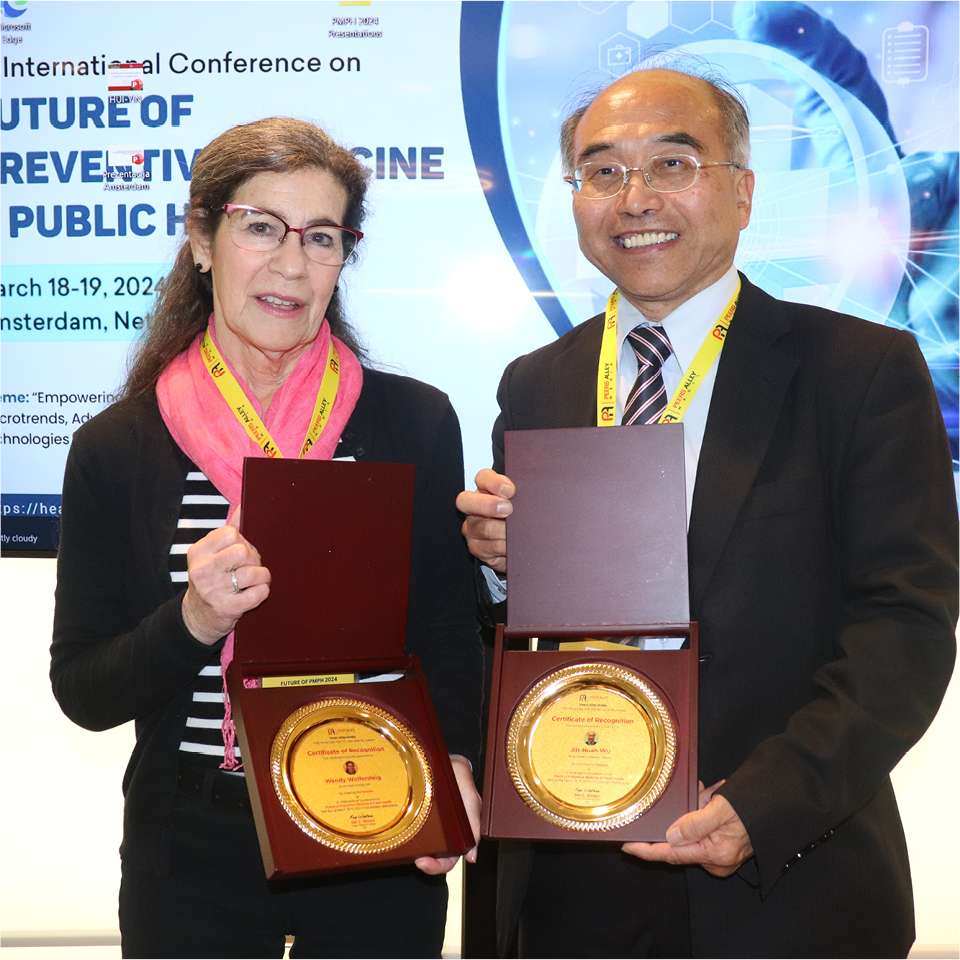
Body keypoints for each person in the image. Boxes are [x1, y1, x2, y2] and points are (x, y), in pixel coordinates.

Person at [457, 65, 957, 958]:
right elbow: (514, 642)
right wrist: (498, 568)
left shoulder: (860, 371)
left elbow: (905, 628)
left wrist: (763, 806)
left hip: (782, 879)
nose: (634, 198)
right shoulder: (538, 383)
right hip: (570, 877)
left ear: (743, 191)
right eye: (602, 171)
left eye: (673, 164)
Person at [50, 117, 482, 959]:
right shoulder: (117, 446)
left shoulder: (413, 422)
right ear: (201, 240)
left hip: (372, 817)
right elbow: (84, 690)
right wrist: (194, 620)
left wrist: (455, 760)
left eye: (321, 237)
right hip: (191, 848)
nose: (291, 264)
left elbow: (445, 631)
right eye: (260, 227)